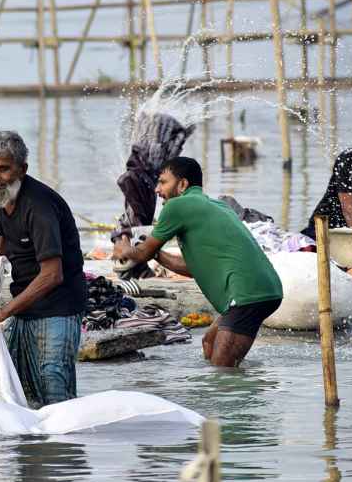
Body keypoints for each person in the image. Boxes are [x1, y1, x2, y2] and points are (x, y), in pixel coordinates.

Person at [112, 157, 282, 367]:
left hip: (248, 295)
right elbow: (195, 269)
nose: (157, 189)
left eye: (163, 182)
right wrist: (155, 253)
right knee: (209, 343)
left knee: (223, 373)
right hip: (264, 289)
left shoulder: (177, 207)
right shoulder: (219, 206)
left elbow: (141, 255)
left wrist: (124, 248)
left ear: (182, 184)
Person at [0, 131, 87, 407]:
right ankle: (33, 449)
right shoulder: (4, 198)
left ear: (22, 169)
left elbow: (53, 274)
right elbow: (7, 234)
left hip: (59, 307)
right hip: (27, 307)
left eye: (4, 169)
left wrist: (1, 312)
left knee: (54, 387)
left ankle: (62, 449)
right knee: (19, 386)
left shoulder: (38, 206)